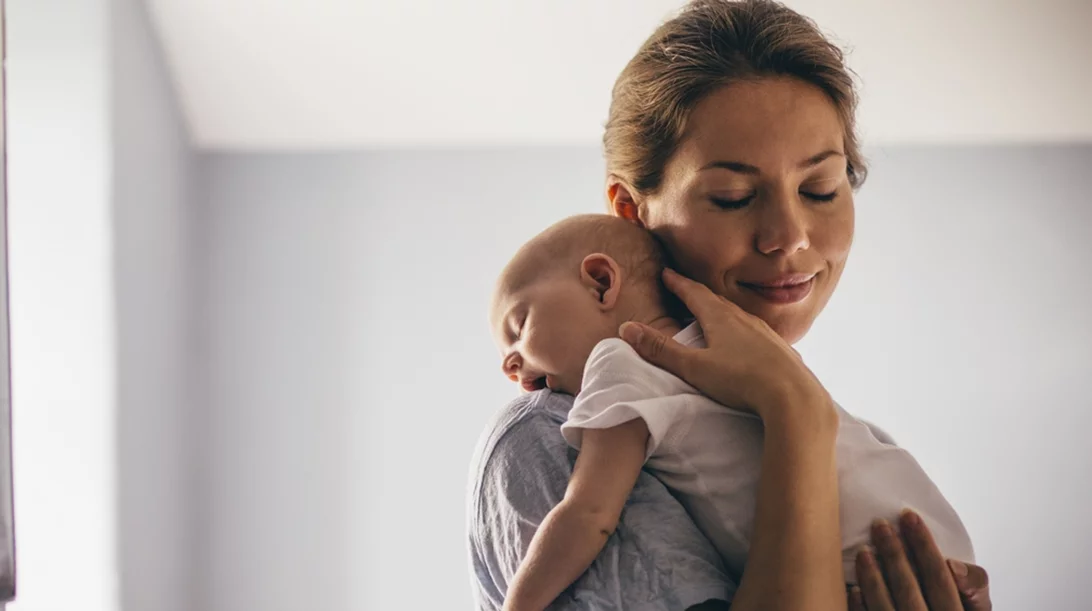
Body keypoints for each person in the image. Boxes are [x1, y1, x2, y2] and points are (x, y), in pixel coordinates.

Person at [467, 1, 993, 609]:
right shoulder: (548, 433)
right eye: (733, 196)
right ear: (633, 212)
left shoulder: (829, 441)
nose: (788, 236)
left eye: (820, 188)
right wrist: (795, 411)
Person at [487, 214, 975, 611]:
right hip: (932, 543)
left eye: (520, 325)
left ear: (600, 283)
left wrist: (516, 605)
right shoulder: (739, 357)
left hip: (862, 564)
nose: (510, 364)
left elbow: (589, 512)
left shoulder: (621, 360)